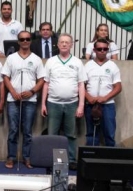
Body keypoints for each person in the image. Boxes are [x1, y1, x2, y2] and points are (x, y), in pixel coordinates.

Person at [41, 34, 87, 170]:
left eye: (67, 42)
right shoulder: (51, 61)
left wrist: (81, 106)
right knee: (52, 134)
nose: (64, 44)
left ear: (71, 45)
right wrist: (43, 104)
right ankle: (51, 160)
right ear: (58, 44)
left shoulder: (77, 62)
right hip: (53, 103)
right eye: (62, 42)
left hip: (72, 104)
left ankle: (72, 160)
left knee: (71, 134)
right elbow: (46, 84)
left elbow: (81, 85)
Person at [1, 30, 45, 169]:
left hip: (30, 100)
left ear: (30, 41)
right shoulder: (11, 58)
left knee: (27, 131)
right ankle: (11, 157)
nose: (25, 41)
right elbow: (5, 77)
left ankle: (26, 157)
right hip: (13, 99)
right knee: (13, 130)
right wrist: (13, 92)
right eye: (22, 39)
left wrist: (32, 91)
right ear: (18, 41)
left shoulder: (37, 59)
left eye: (27, 39)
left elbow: (41, 79)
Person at [84, 38, 122, 147]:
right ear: (94, 50)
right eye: (99, 49)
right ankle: (90, 161)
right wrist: (88, 97)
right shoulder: (88, 66)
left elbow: (118, 87)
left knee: (109, 134)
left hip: (108, 105)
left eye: (105, 49)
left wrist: (105, 98)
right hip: (91, 105)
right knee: (91, 134)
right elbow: (82, 85)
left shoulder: (113, 66)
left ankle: (110, 161)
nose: (102, 51)